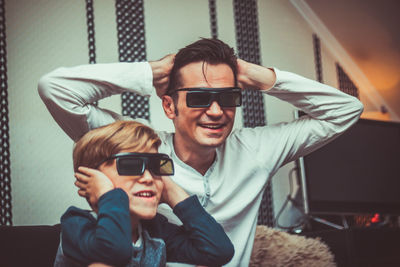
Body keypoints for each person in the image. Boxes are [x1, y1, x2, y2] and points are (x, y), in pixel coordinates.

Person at [39, 38, 363, 266]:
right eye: (197, 98)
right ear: (170, 105)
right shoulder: (140, 154)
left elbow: (346, 110)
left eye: (227, 98)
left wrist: (265, 79)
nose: (215, 111)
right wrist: (149, 72)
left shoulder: (258, 150)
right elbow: (56, 89)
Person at [53, 120, 234, 267]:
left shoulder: (155, 232)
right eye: (131, 165)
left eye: (155, 167)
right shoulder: (77, 223)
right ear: (93, 176)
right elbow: (114, 253)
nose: (148, 177)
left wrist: (170, 190)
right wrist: (108, 196)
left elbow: (219, 250)